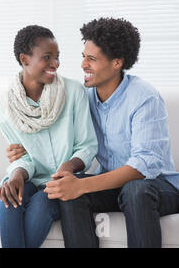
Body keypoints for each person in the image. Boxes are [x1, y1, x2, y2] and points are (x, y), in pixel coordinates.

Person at [41, 17, 179, 247]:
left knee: (135, 190)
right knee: (71, 192)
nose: (84, 65)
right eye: (83, 57)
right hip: (114, 185)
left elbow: (141, 167)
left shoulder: (144, 97)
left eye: (92, 59)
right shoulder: (85, 98)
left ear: (117, 63)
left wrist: (83, 185)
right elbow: (61, 134)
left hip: (156, 187)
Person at [0, 25, 98, 248]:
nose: (55, 64)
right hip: (30, 177)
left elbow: (87, 146)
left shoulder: (73, 92)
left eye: (57, 57)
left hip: (61, 181)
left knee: (42, 205)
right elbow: (22, 155)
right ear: (24, 59)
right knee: (7, 202)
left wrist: (67, 168)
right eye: (47, 57)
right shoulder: (5, 104)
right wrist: (17, 175)